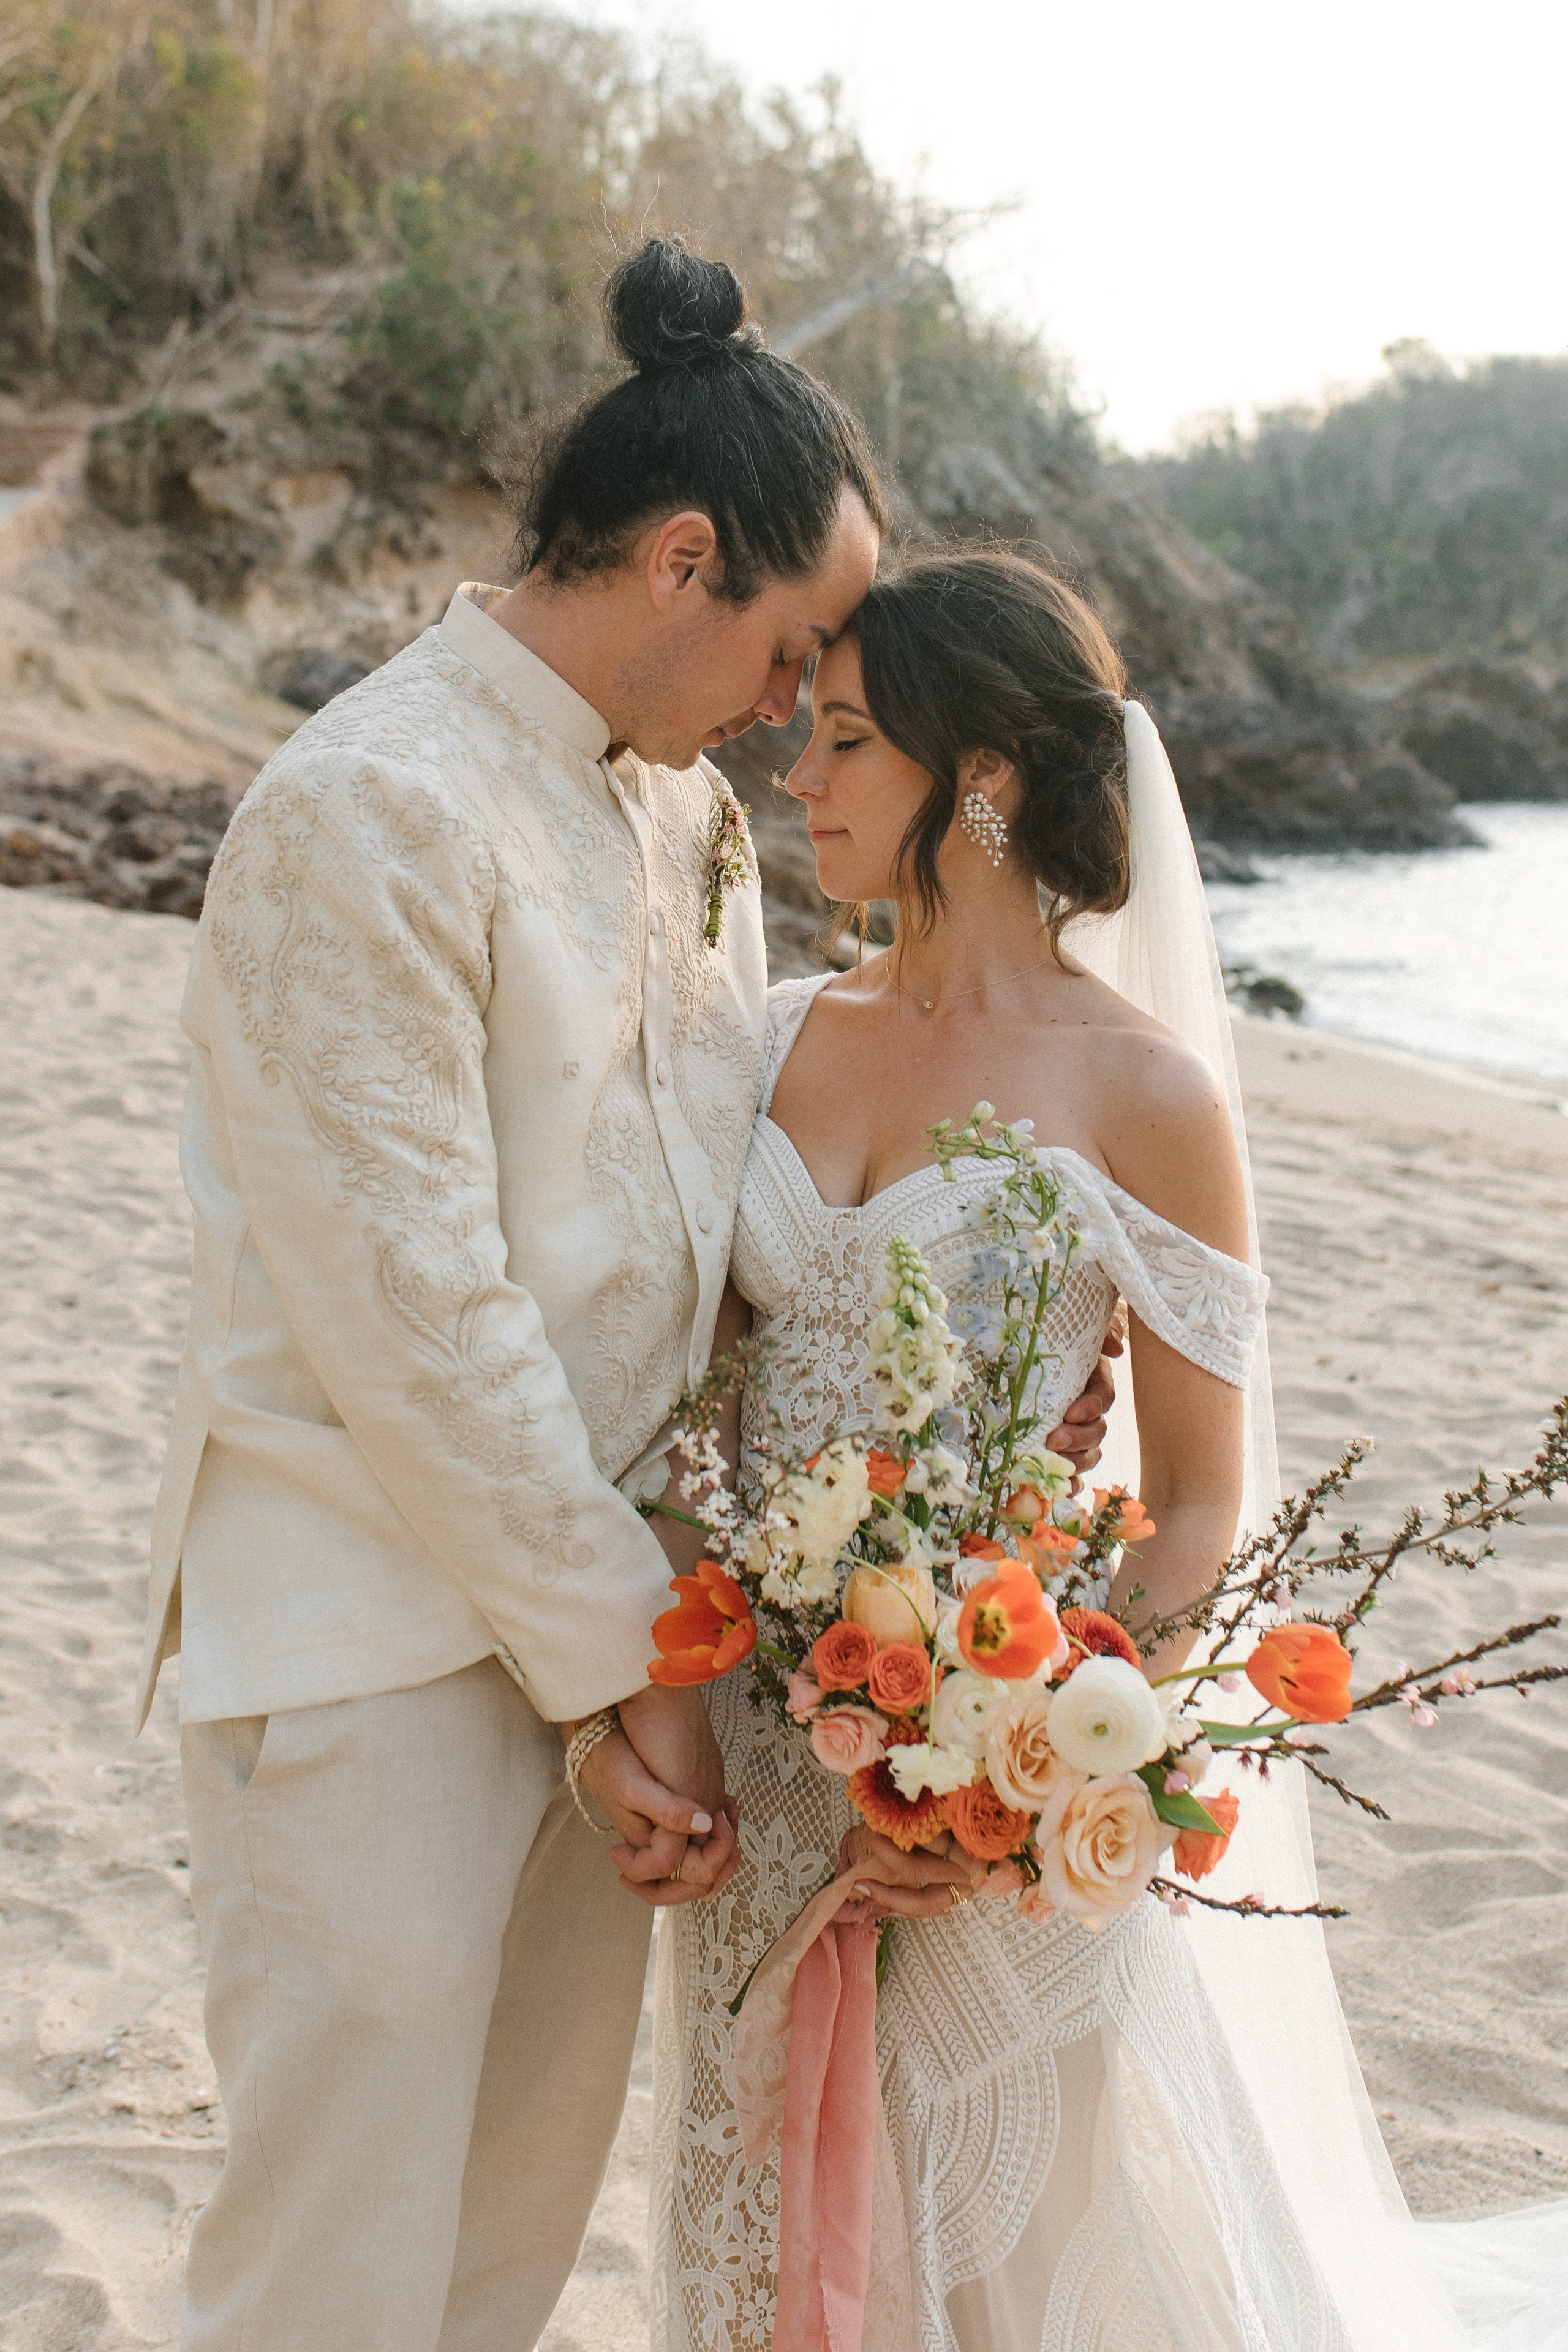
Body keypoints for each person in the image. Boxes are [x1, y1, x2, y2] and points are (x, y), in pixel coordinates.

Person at [140, 242, 1115, 2351]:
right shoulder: (363, 813)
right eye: (790, 649)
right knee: (332, 2275)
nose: (797, 713)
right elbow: (426, 1324)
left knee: (495, 2265)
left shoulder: (678, 813)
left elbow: (711, 1222)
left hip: (628, 1662)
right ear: (686, 560)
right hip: (380, 1639)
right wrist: (619, 1676)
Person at [649, 549, 1553, 2350]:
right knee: (758, 2196)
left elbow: (1206, 1490)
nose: (797, 781)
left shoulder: (1149, 1094)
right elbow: (704, 1409)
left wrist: (1035, 1761)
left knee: (1020, 2235)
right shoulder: (755, 1046)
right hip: (772, 1750)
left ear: (978, 776)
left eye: (840, 743)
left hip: (1004, 1770)